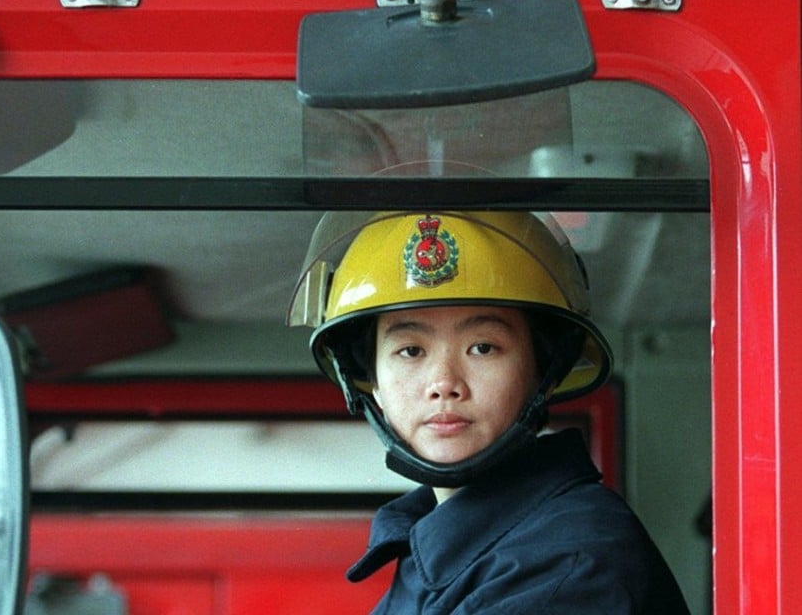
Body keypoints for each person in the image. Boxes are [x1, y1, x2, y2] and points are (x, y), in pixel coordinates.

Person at [288, 211, 689, 614]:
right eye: (411, 351)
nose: (444, 383)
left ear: (544, 373)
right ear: (370, 381)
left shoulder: (570, 565)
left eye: (483, 347)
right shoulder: (432, 542)